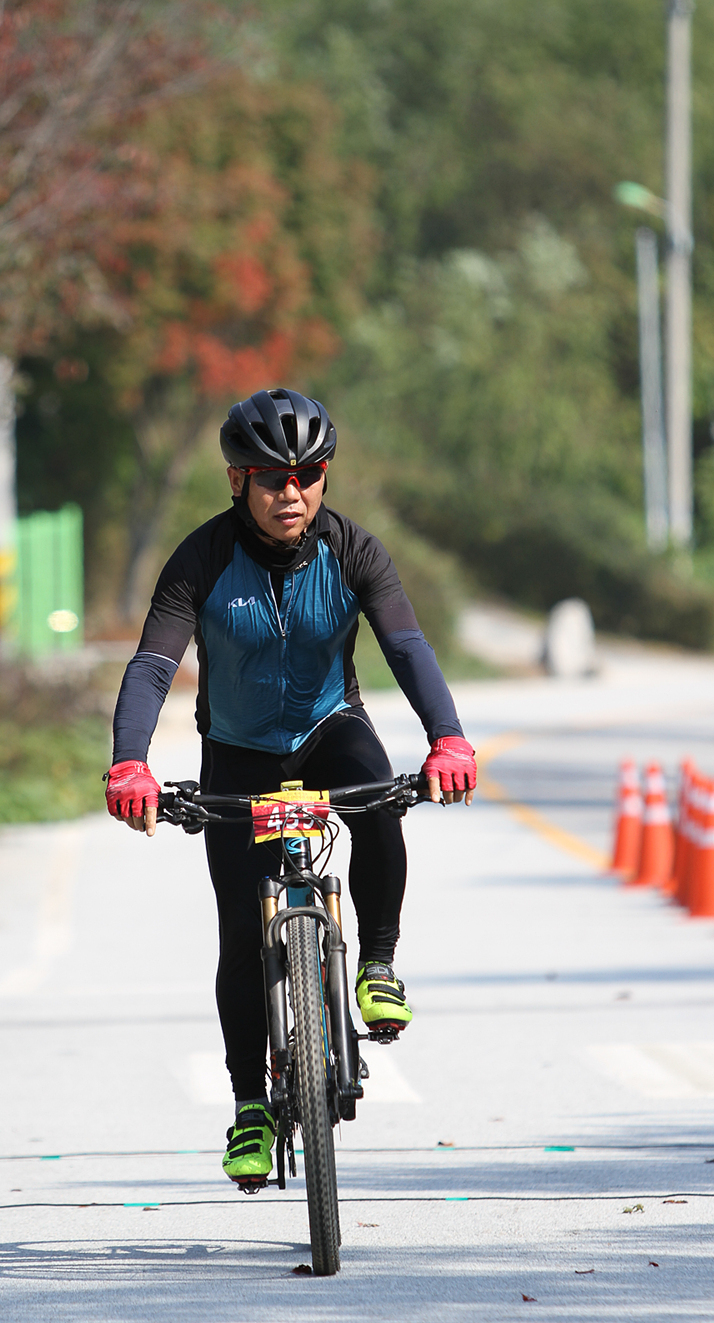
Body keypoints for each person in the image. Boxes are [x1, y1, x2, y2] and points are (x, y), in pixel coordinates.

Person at [105, 388, 475, 1184]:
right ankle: (249, 1106)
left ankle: (377, 965)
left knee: (379, 803)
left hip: (329, 729)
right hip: (236, 753)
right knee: (242, 930)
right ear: (238, 481)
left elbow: (408, 648)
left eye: (308, 475)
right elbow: (153, 666)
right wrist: (130, 761)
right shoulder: (201, 559)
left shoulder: (355, 551)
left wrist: (447, 738)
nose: (292, 493)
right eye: (274, 478)